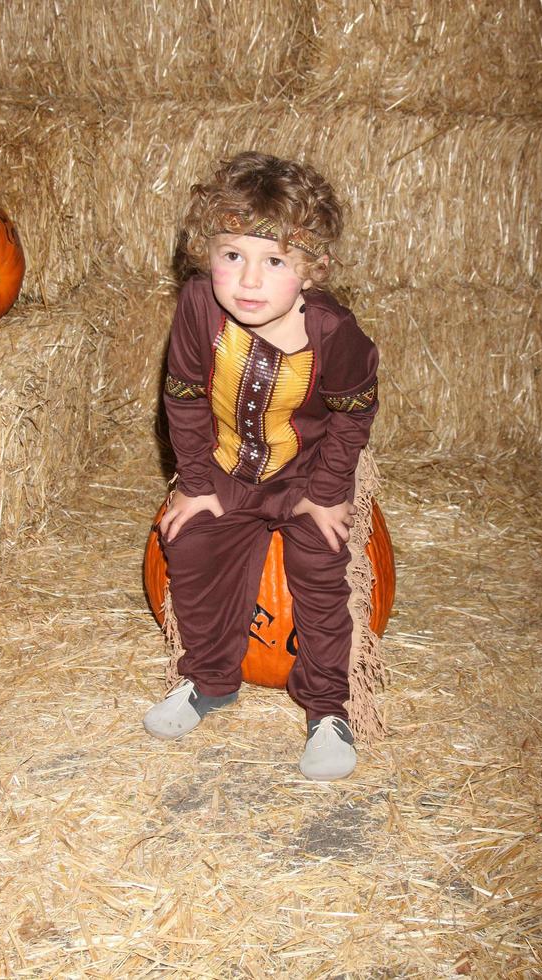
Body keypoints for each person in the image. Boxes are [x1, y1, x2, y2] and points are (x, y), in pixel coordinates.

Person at [142, 151, 379, 780]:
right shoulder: (197, 308)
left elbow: (353, 415)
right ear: (207, 255)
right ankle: (210, 679)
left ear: (310, 269)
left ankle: (328, 709)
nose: (249, 279)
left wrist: (327, 492)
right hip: (225, 464)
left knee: (318, 566)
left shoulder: (335, 332)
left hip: (306, 470)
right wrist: (196, 485)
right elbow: (185, 396)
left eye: (274, 260)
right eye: (232, 256)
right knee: (187, 544)